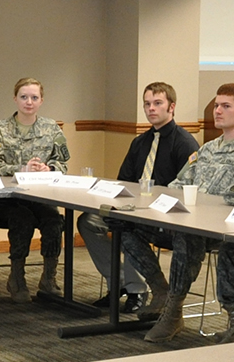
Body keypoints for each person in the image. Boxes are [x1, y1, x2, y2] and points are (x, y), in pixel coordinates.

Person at [134, 83, 234, 343]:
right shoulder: (208, 149)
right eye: (216, 106)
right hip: (195, 225)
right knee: (134, 228)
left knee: (188, 238)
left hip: (231, 232)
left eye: (226, 106)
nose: (217, 111)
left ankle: (218, 317)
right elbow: (178, 185)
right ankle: (170, 305)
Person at [81, 82, 198, 312]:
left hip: (166, 219)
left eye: (157, 103)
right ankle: (125, 282)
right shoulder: (140, 142)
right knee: (88, 221)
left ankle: (143, 289)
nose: (151, 109)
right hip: (133, 211)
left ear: (171, 107)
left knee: (126, 230)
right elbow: (123, 180)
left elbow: (188, 191)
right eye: (147, 104)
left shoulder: (184, 144)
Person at [0, 77, 70, 302]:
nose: (29, 102)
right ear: (15, 99)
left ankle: (49, 278)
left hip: (40, 197)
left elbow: (63, 163)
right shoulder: (0, 129)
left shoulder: (51, 129)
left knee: (54, 221)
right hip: (6, 201)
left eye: (34, 98)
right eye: (24, 97)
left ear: (42, 100)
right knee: (21, 218)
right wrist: (21, 169)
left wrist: (48, 168)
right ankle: (16, 278)